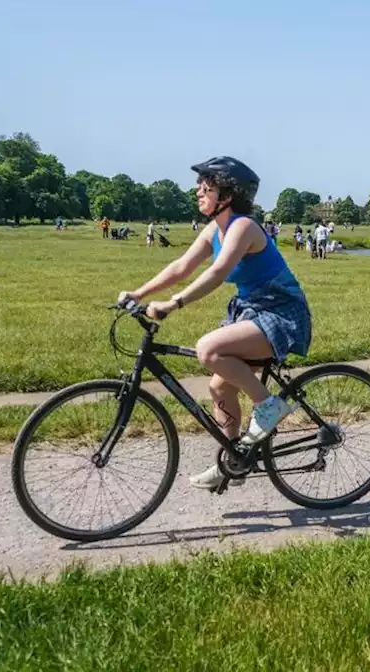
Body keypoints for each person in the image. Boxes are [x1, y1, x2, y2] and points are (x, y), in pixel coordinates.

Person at [118, 156, 312, 490]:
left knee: (208, 349)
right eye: (200, 186)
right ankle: (234, 462)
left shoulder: (243, 227)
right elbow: (182, 266)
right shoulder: (214, 229)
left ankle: (269, 406)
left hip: (281, 313)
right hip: (251, 311)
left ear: (227, 195)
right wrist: (139, 293)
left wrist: (173, 303)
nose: (198, 192)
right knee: (219, 386)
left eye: (206, 187)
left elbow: (218, 272)